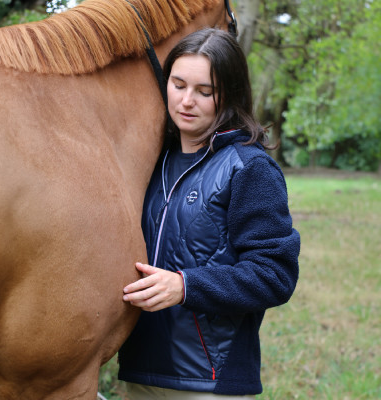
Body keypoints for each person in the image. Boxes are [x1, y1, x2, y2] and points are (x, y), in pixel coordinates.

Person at [118, 28, 300, 399]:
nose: (186, 101)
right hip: (138, 371)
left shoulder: (250, 168)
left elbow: (275, 274)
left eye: (205, 92)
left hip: (210, 382)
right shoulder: (148, 162)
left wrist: (186, 285)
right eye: (178, 84)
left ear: (230, 95)